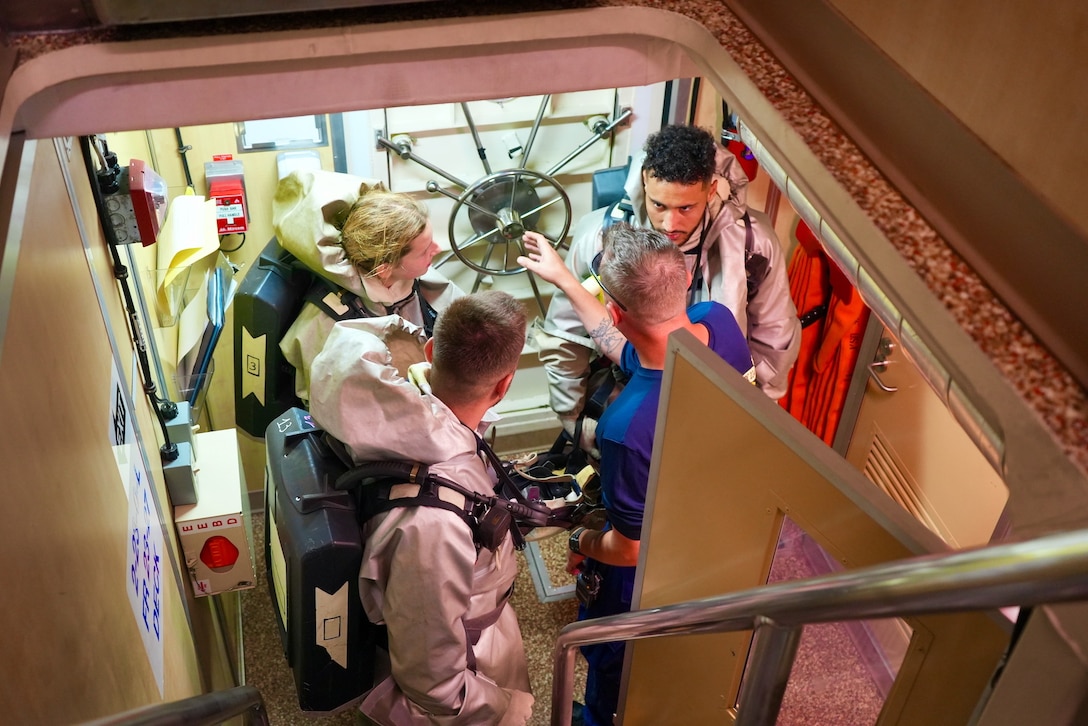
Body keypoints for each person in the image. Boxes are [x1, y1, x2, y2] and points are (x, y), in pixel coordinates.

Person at [518, 225, 755, 726]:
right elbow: (630, 346)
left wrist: (581, 539)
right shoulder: (720, 322)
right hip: (717, 536)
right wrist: (565, 278)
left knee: (614, 669)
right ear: (686, 278)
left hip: (643, 576)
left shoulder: (626, 429)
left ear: (617, 311)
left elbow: (630, 548)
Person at [307, 291, 534, 725]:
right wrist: (505, 707)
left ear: (430, 352)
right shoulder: (434, 522)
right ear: (505, 385)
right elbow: (433, 683)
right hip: (465, 677)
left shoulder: (389, 416)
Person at [533, 124, 799, 444]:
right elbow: (568, 335)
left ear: (711, 190)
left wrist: (757, 418)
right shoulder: (600, 240)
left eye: (686, 208)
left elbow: (775, 339)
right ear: (645, 180)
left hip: (717, 409)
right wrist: (574, 421)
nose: (670, 225)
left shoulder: (753, 246)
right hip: (626, 400)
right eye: (659, 205)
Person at [275, 168, 464, 404]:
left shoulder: (411, 279)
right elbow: (333, 409)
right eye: (425, 250)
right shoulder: (328, 322)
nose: (436, 250)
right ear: (385, 268)